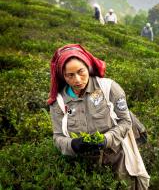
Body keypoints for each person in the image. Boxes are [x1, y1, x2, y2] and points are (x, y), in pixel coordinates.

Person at [48, 44, 149, 189]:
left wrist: (106, 139)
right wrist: (72, 144)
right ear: (63, 76)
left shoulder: (108, 88)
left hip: (117, 159)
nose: (77, 79)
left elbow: (125, 121)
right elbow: (57, 137)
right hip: (83, 166)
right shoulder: (58, 101)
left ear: (88, 67)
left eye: (81, 72)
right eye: (70, 75)